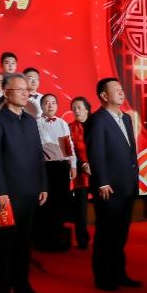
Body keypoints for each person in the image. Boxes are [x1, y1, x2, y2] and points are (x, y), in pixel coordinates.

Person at [0, 72, 48, 293]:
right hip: (6, 195)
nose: (25, 93)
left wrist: (43, 184)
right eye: (20, 90)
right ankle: (2, 291)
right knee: (4, 243)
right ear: (6, 92)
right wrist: (0, 191)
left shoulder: (30, 120)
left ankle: (22, 286)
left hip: (30, 191)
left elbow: (38, 155)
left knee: (24, 242)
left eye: (26, 89)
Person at [85, 77, 141, 291]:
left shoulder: (125, 118)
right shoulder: (97, 120)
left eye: (121, 88)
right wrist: (102, 182)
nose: (121, 92)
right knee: (106, 233)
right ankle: (103, 278)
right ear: (104, 95)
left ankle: (119, 273)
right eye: (115, 89)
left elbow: (130, 152)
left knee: (120, 234)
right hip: (108, 187)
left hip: (127, 185)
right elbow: (96, 152)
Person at [35, 93, 75, 252]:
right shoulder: (36, 123)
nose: (50, 105)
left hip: (62, 168)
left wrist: (73, 165)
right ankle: (44, 240)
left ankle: (58, 239)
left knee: (60, 203)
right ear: (41, 106)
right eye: (46, 103)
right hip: (45, 168)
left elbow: (68, 146)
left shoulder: (62, 123)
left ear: (57, 106)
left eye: (53, 103)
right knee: (46, 204)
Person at [69, 96, 93, 251]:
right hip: (80, 174)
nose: (76, 111)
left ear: (87, 109)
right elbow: (68, 152)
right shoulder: (69, 127)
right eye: (74, 108)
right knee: (81, 210)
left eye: (79, 108)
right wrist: (82, 165)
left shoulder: (96, 125)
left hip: (98, 173)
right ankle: (82, 240)